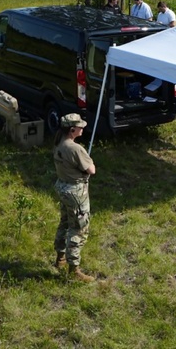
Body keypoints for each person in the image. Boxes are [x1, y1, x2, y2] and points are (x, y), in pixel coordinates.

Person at [53, 113, 97, 282]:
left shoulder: (58, 143)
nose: (82, 129)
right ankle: (74, 269)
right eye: (80, 127)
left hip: (63, 187)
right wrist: (90, 161)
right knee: (78, 228)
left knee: (64, 222)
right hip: (76, 192)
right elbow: (91, 170)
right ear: (72, 130)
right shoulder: (75, 149)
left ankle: (60, 259)